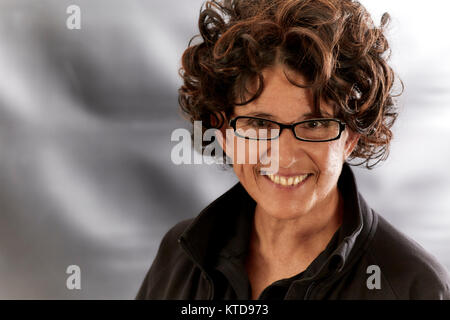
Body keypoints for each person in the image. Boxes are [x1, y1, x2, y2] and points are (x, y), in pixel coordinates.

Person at [136, 0, 450, 299]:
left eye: (314, 125)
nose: (285, 156)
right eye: (260, 125)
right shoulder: (177, 259)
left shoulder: (414, 287)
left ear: (351, 137)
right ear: (223, 132)